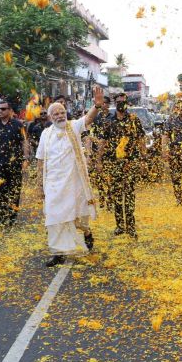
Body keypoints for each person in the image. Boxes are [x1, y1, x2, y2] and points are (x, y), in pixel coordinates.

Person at [36, 87, 105, 266]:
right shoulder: (46, 134)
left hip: (73, 183)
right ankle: (58, 253)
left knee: (77, 216)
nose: (60, 116)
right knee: (53, 218)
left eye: (62, 112)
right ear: (51, 117)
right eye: (56, 114)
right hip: (52, 185)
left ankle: (87, 232)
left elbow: (88, 118)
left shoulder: (73, 127)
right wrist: (39, 185)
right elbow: (40, 160)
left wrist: (96, 106)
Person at [96, 93, 145, 238]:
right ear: (114, 103)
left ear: (127, 103)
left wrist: (143, 160)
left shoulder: (134, 120)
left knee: (129, 194)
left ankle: (130, 226)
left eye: (123, 102)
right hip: (114, 163)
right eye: (118, 102)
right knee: (116, 194)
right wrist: (98, 161)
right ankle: (119, 225)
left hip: (130, 162)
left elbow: (141, 140)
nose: (121, 104)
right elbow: (103, 143)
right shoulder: (109, 122)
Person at [0, 100, 29, 229]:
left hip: (15, 164)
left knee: (14, 191)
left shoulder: (18, 125)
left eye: (3, 109)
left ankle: (12, 217)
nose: (0, 111)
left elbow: (24, 142)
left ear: (9, 110)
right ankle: (2, 216)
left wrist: (25, 157)